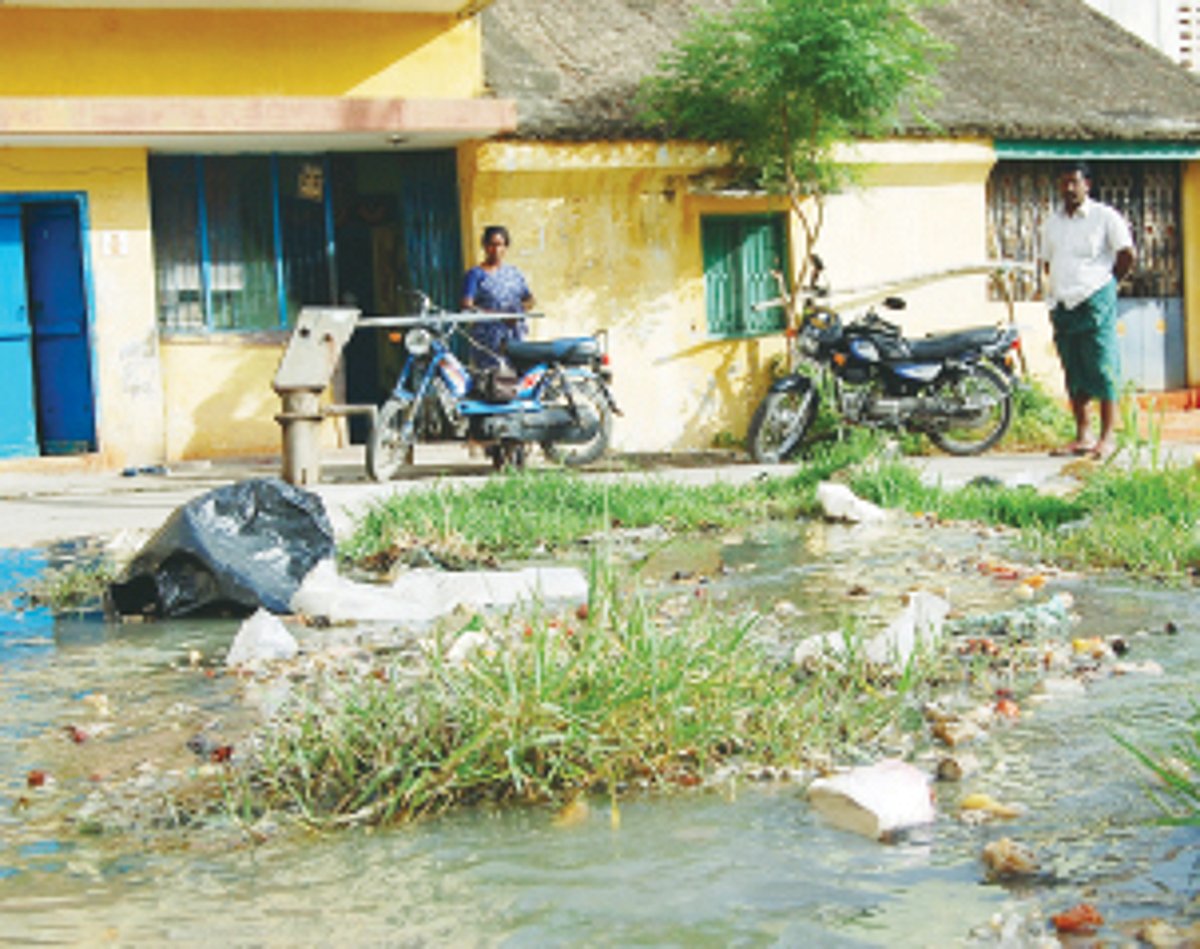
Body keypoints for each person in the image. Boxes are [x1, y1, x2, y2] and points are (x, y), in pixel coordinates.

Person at [1040, 160, 1136, 460]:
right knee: (1074, 368)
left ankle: (1107, 438)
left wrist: (1107, 285)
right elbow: (1046, 261)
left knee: (1102, 365)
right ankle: (1083, 435)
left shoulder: (1104, 217)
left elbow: (1126, 254)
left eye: (1075, 182)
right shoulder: (1052, 223)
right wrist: (1053, 293)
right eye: (1064, 182)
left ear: (1087, 185)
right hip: (1063, 303)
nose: (1069, 188)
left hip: (1095, 299)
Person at [461, 225, 535, 369]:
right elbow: (466, 305)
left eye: (500, 245)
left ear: (506, 247)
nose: (496, 250)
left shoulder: (514, 273)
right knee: (493, 382)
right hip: (488, 339)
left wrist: (519, 311)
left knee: (517, 377)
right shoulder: (475, 274)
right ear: (484, 246)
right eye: (491, 245)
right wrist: (499, 316)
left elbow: (529, 299)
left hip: (515, 335)